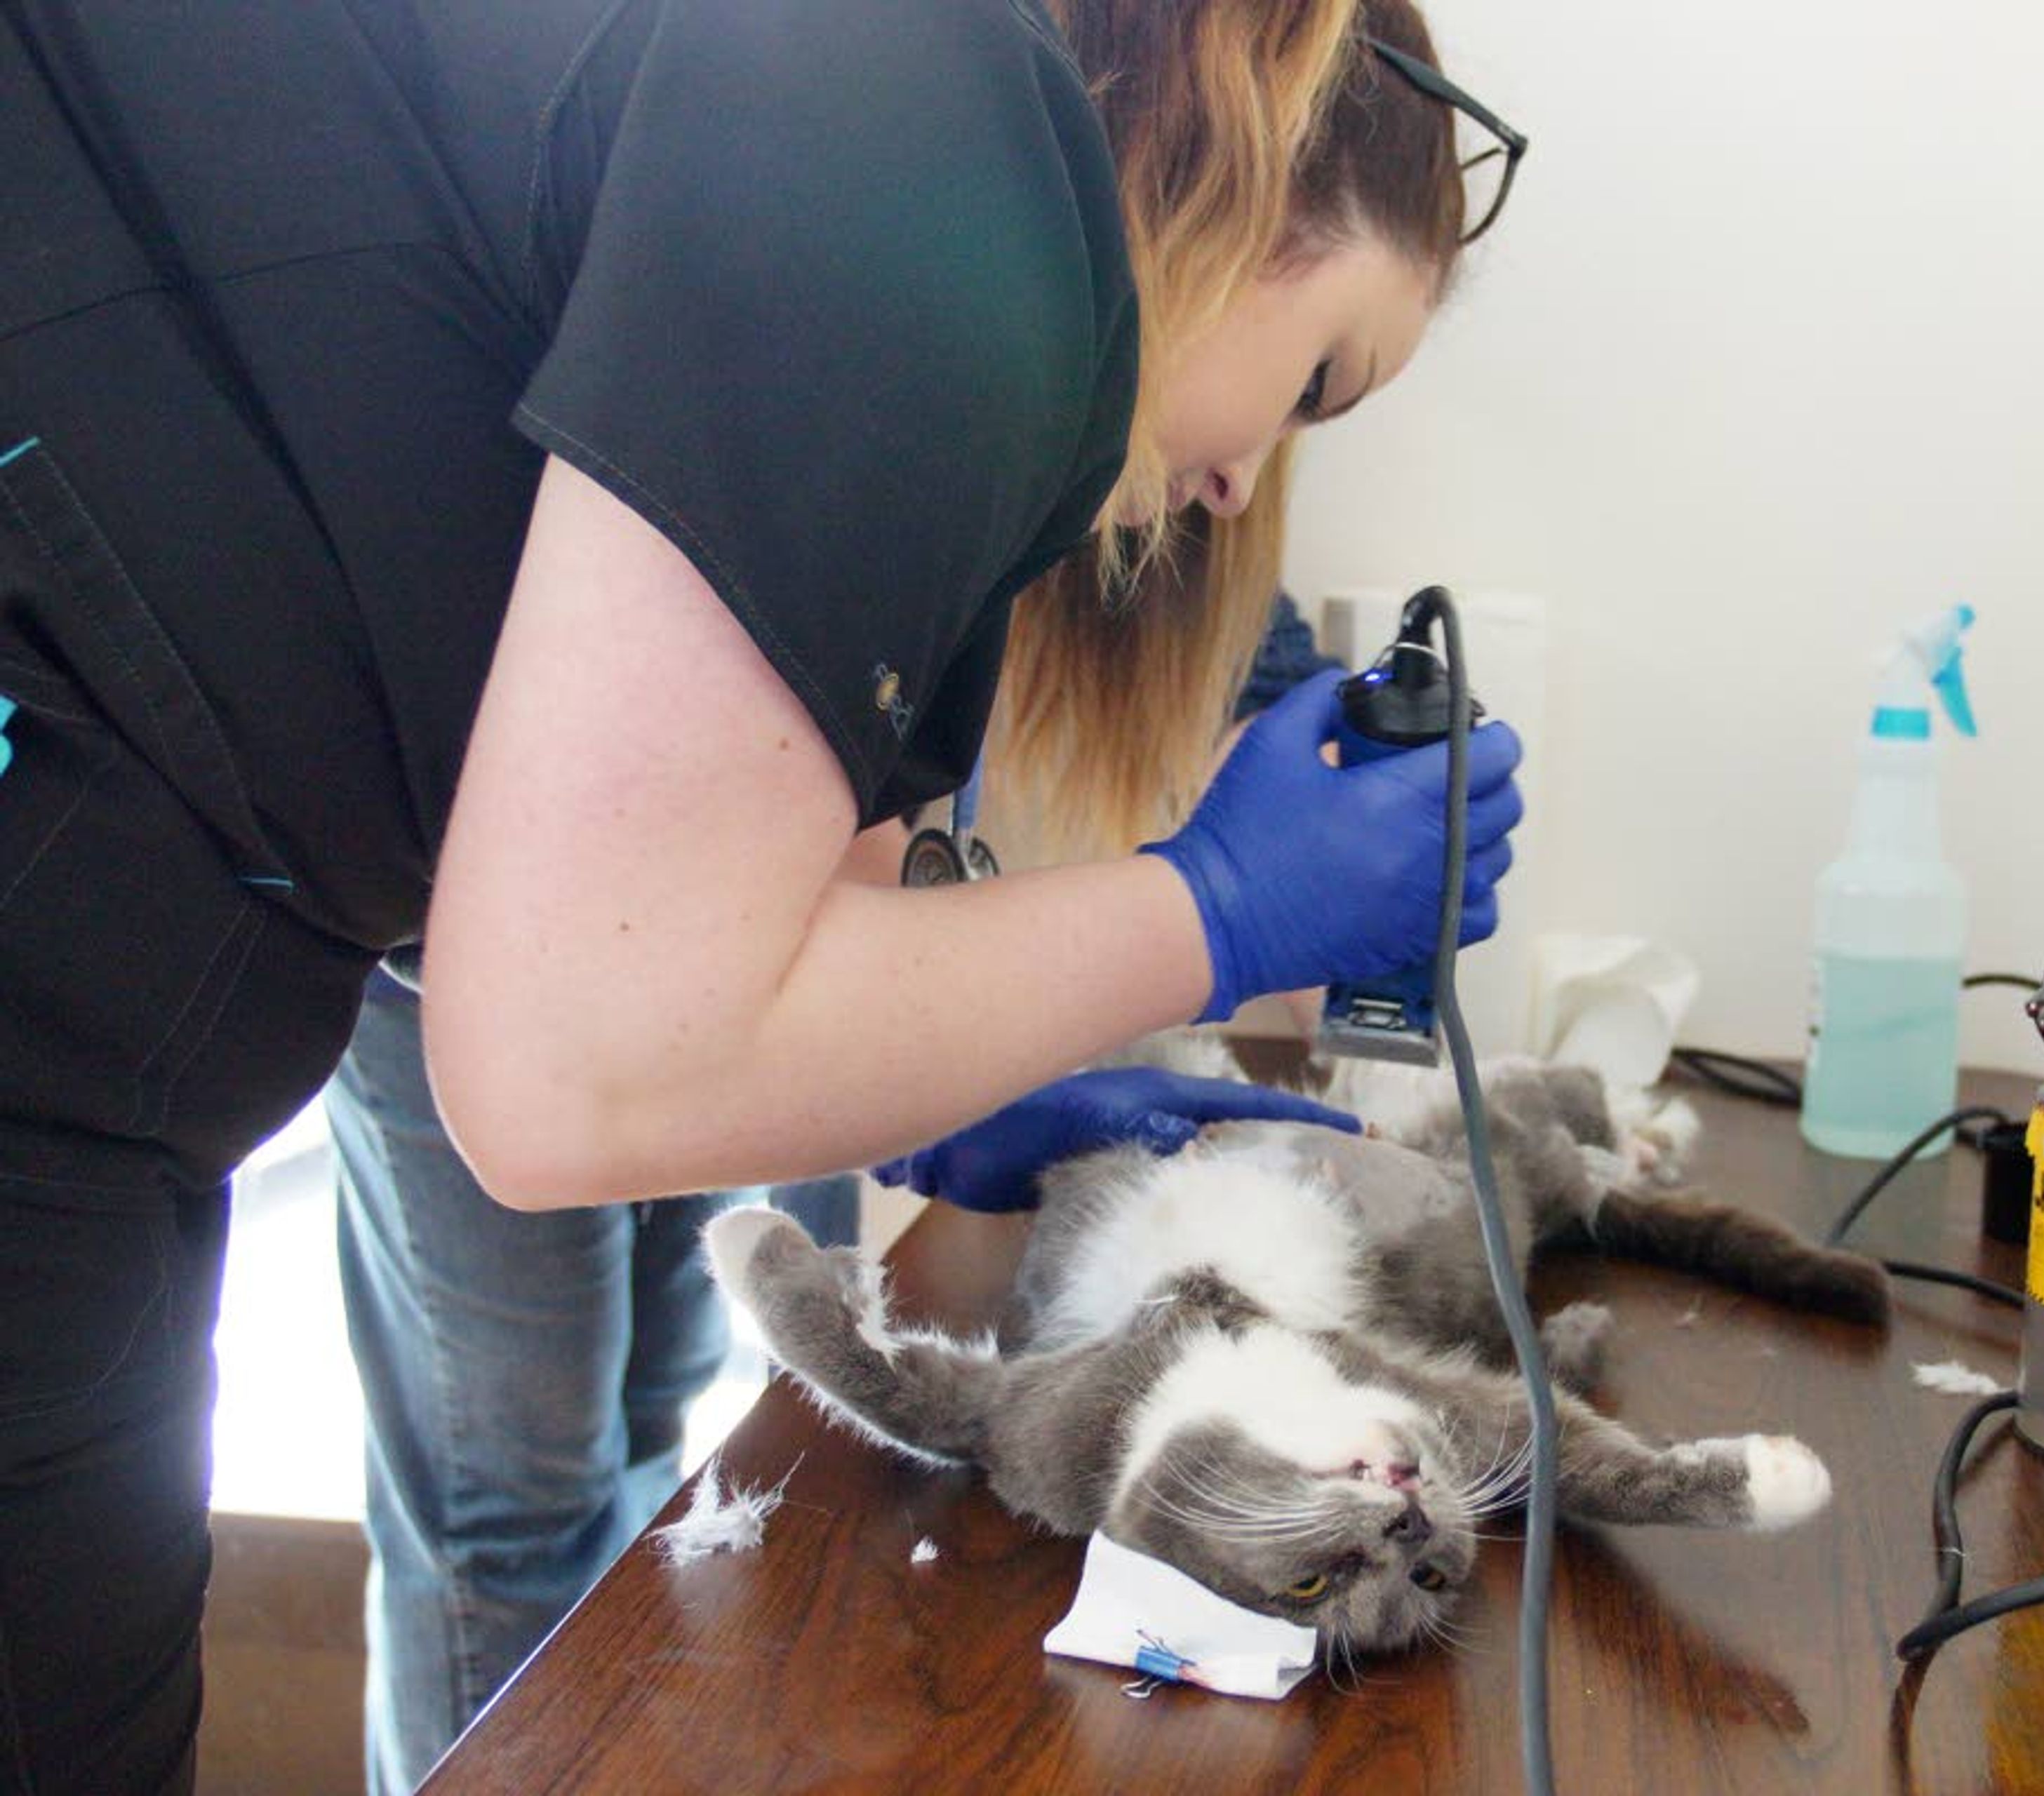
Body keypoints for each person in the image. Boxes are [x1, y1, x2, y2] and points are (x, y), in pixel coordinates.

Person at [0, 1, 1527, 1789]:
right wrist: (1218, 903)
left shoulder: (852, 227)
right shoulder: (917, 126)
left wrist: (966, 1065)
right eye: (1323, 377)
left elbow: (752, 919)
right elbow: (574, 1068)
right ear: (1241, 155)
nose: (1251, 478)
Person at [333, 596, 1338, 1795]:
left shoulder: (1136, 521)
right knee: (506, 1498)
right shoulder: (945, 437)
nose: (1234, 483)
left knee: (655, 1410)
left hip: (715, 925)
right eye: (1316, 389)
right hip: (476, 926)